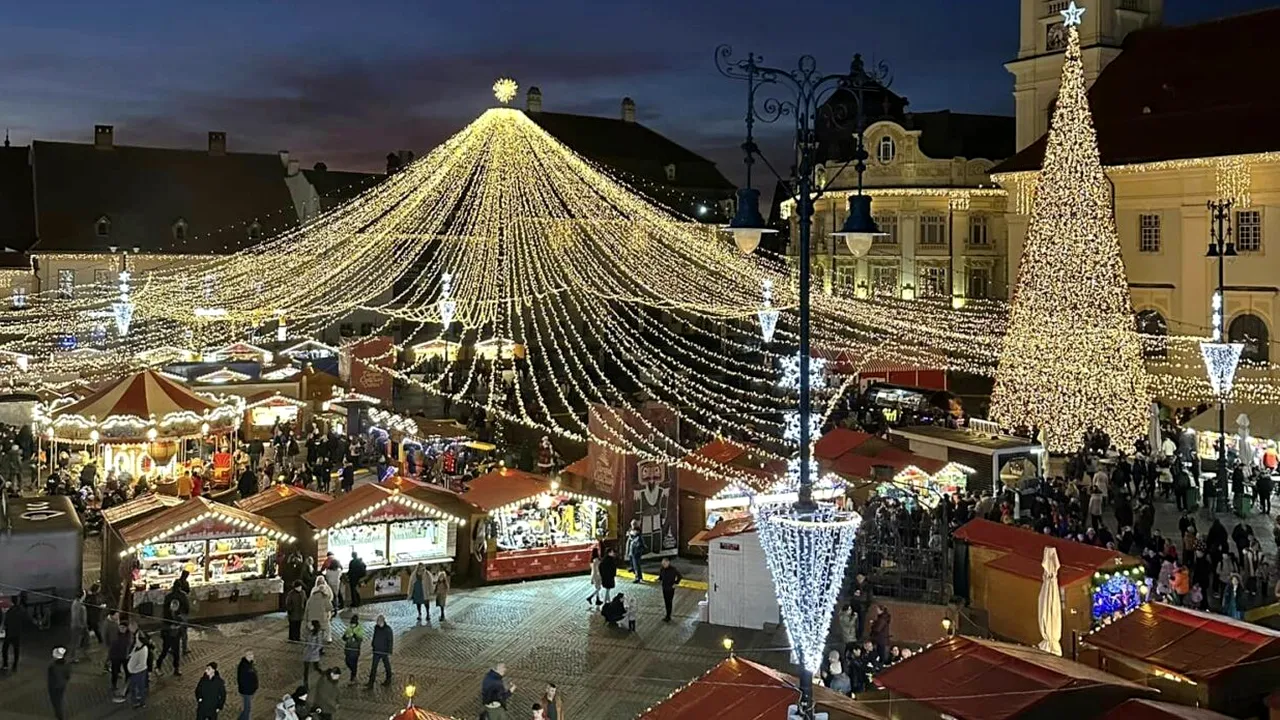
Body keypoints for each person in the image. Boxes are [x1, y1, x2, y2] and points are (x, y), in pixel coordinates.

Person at [1, 593, 29, 671]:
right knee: (16, 650)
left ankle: (5, 664)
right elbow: (26, 619)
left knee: (5, 649)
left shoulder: (9, 611)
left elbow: (6, 622)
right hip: (17, 633)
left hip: (9, 633)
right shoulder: (21, 610)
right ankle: (15, 666)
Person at [366, 614, 393, 688]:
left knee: (386, 665)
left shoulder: (388, 630)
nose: (377, 623)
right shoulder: (376, 628)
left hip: (384, 651)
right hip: (376, 650)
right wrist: (373, 644)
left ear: (382, 621)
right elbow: (375, 636)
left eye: (378, 621)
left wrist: (389, 650)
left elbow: (390, 640)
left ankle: (388, 679)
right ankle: (371, 682)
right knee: (374, 667)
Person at [305, 576, 335, 643]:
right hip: (323, 615)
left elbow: (307, 606)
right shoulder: (325, 596)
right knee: (326, 627)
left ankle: (313, 639)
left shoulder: (312, 596)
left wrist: (306, 617)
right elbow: (330, 606)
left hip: (313, 615)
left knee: (314, 628)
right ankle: (327, 638)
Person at [126, 630, 150, 708]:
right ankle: (137, 700)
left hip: (138, 672)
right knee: (136, 687)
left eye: (136, 637)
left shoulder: (143, 651)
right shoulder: (137, 646)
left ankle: (140, 701)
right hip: (135, 672)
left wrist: (132, 670)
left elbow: (141, 664)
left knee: (138, 687)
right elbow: (132, 653)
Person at [47, 646, 71, 720]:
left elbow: (50, 678)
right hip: (62, 685)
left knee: (55, 702)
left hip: (54, 686)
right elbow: (68, 676)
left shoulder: (52, 666)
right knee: (59, 700)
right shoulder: (66, 665)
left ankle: (59, 715)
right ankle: (59, 714)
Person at [657, 557, 682, 622]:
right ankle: (667, 615)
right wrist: (659, 579)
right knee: (666, 601)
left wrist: (676, 583)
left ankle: (668, 615)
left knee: (669, 602)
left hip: (670, 588)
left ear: (668, 562)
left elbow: (680, 576)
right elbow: (661, 577)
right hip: (664, 587)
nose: (663, 565)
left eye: (665, 563)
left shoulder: (673, 569)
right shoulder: (662, 569)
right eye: (663, 564)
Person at [342, 614, 364, 683]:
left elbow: (360, 639)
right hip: (348, 649)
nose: (351, 625)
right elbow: (343, 637)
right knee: (347, 662)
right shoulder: (348, 628)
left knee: (354, 663)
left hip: (355, 650)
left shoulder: (360, 629)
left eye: (353, 624)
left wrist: (354, 635)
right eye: (351, 624)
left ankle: (353, 676)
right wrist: (346, 636)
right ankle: (353, 673)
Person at [68, 589, 88, 663]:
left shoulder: (77, 603)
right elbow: (76, 616)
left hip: (77, 625)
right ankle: (73, 658)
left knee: (77, 642)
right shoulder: (78, 605)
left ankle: (75, 656)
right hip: (78, 626)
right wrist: (81, 625)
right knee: (76, 643)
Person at [236, 651, 258, 720]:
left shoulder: (249, 664)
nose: (253, 656)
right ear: (247, 656)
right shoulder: (244, 667)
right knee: (247, 709)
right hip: (246, 691)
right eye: (251, 655)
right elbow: (243, 680)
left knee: (247, 708)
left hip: (249, 690)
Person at [302, 621, 324, 686]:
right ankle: (305, 682)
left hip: (313, 654)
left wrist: (314, 651)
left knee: (316, 667)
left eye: (311, 625)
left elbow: (319, 644)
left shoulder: (318, 633)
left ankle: (324, 676)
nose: (309, 626)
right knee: (306, 668)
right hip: (307, 652)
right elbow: (305, 637)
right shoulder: (309, 632)